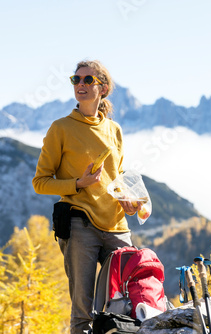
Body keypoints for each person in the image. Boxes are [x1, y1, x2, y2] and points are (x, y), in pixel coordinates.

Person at [32, 60, 140, 333]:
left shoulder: (114, 130)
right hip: (81, 226)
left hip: (117, 227)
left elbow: (117, 176)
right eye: (76, 80)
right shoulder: (61, 128)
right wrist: (79, 183)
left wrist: (128, 199)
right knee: (83, 311)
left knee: (128, 304)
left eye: (87, 80)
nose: (80, 85)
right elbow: (40, 183)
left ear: (102, 88)